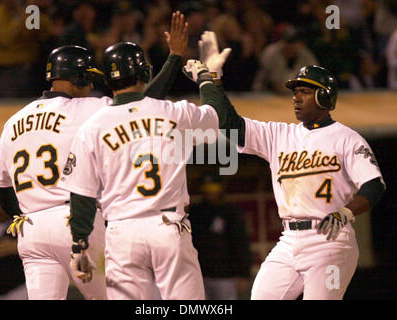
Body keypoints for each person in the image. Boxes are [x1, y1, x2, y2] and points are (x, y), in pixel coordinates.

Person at [0, 11, 190, 299]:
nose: (93, 85)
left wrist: (19, 214)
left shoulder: (14, 121)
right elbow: (145, 106)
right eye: (89, 79)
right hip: (74, 221)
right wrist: (174, 58)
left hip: (31, 231)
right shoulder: (89, 109)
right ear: (78, 76)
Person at [198, 32, 386, 300]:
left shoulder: (346, 137)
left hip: (331, 240)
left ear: (324, 97)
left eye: (305, 92)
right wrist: (213, 79)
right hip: (289, 240)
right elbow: (230, 124)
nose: (296, 98)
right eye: (295, 92)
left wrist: (346, 212)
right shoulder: (279, 135)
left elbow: (373, 186)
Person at [57, 40, 231, 299]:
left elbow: (81, 195)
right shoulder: (173, 112)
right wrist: (207, 77)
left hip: (121, 231)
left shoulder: (92, 127)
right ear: (145, 73)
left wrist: (79, 244)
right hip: (168, 226)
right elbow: (219, 115)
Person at [189, 172, 252, 300]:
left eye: (213, 189)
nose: (210, 193)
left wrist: (243, 274)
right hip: (200, 275)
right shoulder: (195, 212)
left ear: (220, 189)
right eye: (207, 190)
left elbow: (241, 244)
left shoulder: (231, 213)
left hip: (226, 275)